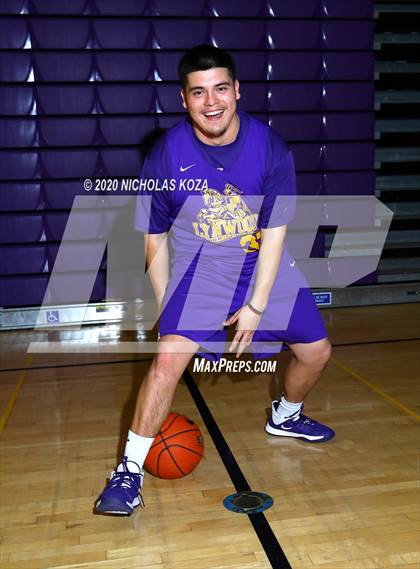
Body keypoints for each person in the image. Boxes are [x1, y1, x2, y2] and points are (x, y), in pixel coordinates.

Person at [95, 45, 334, 516]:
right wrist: (166, 309)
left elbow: (274, 236)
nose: (212, 102)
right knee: (166, 361)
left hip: (263, 265)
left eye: (221, 88)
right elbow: (155, 238)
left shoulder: (271, 149)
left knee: (317, 352)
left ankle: (285, 417)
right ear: (184, 100)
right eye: (199, 92)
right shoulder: (165, 156)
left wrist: (258, 305)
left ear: (237, 90)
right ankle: (128, 471)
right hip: (202, 273)